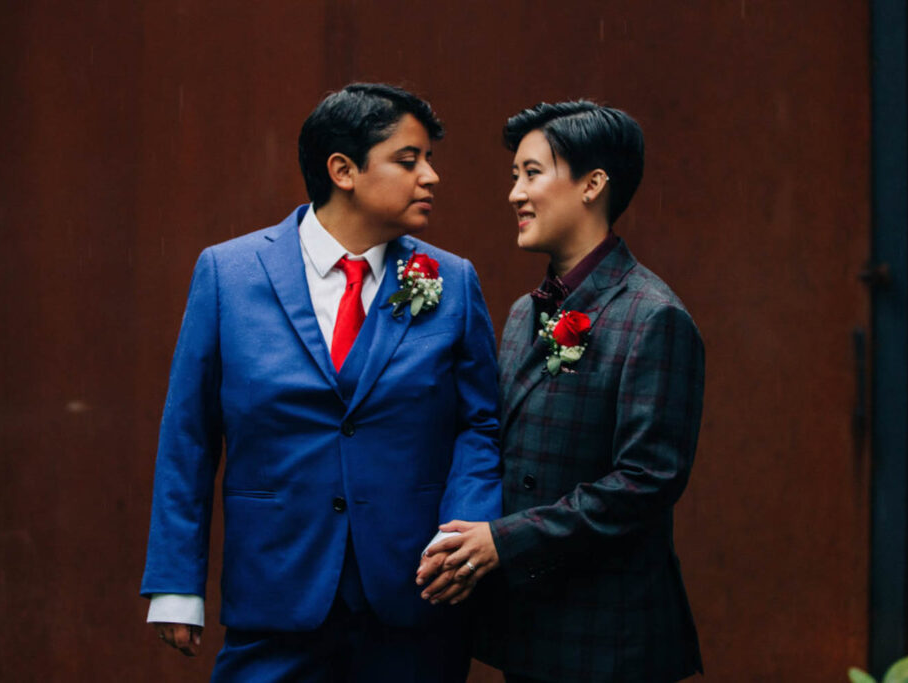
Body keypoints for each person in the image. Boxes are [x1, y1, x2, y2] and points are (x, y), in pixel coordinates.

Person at [140, 83, 502, 682]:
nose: (431, 177)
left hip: (414, 597)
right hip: (276, 594)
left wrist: (461, 531)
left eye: (429, 161)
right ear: (343, 170)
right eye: (409, 160)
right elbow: (189, 435)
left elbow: (479, 424)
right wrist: (177, 581)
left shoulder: (452, 281)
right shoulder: (227, 274)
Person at [419, 101, 705, 682]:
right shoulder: (526, 311)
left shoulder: (653, 316)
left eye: (532, 174)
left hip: (610, 638)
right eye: (514, 177)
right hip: (530, 627)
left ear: (592, 184)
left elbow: (645, 482)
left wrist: (504, 540)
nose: (514, 195)